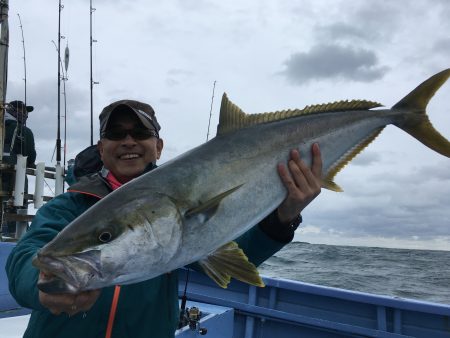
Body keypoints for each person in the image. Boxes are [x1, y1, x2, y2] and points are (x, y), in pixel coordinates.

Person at [6, 99, 323, 338]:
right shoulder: (68, 206)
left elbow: (233, 254)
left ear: (158, 146)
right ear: (101, 149)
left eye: (140, 132)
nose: (129, 141)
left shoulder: (182, 199)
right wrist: (43, 286)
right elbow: (26, 256)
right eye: (116, 134)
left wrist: (283, 218)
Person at [1, 100, 36, 237]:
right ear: (13, 111)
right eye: (23, 111)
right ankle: (15, 237)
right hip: (15, 180)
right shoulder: (24, 131)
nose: (26, 115)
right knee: (16, 214)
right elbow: (30, 157)